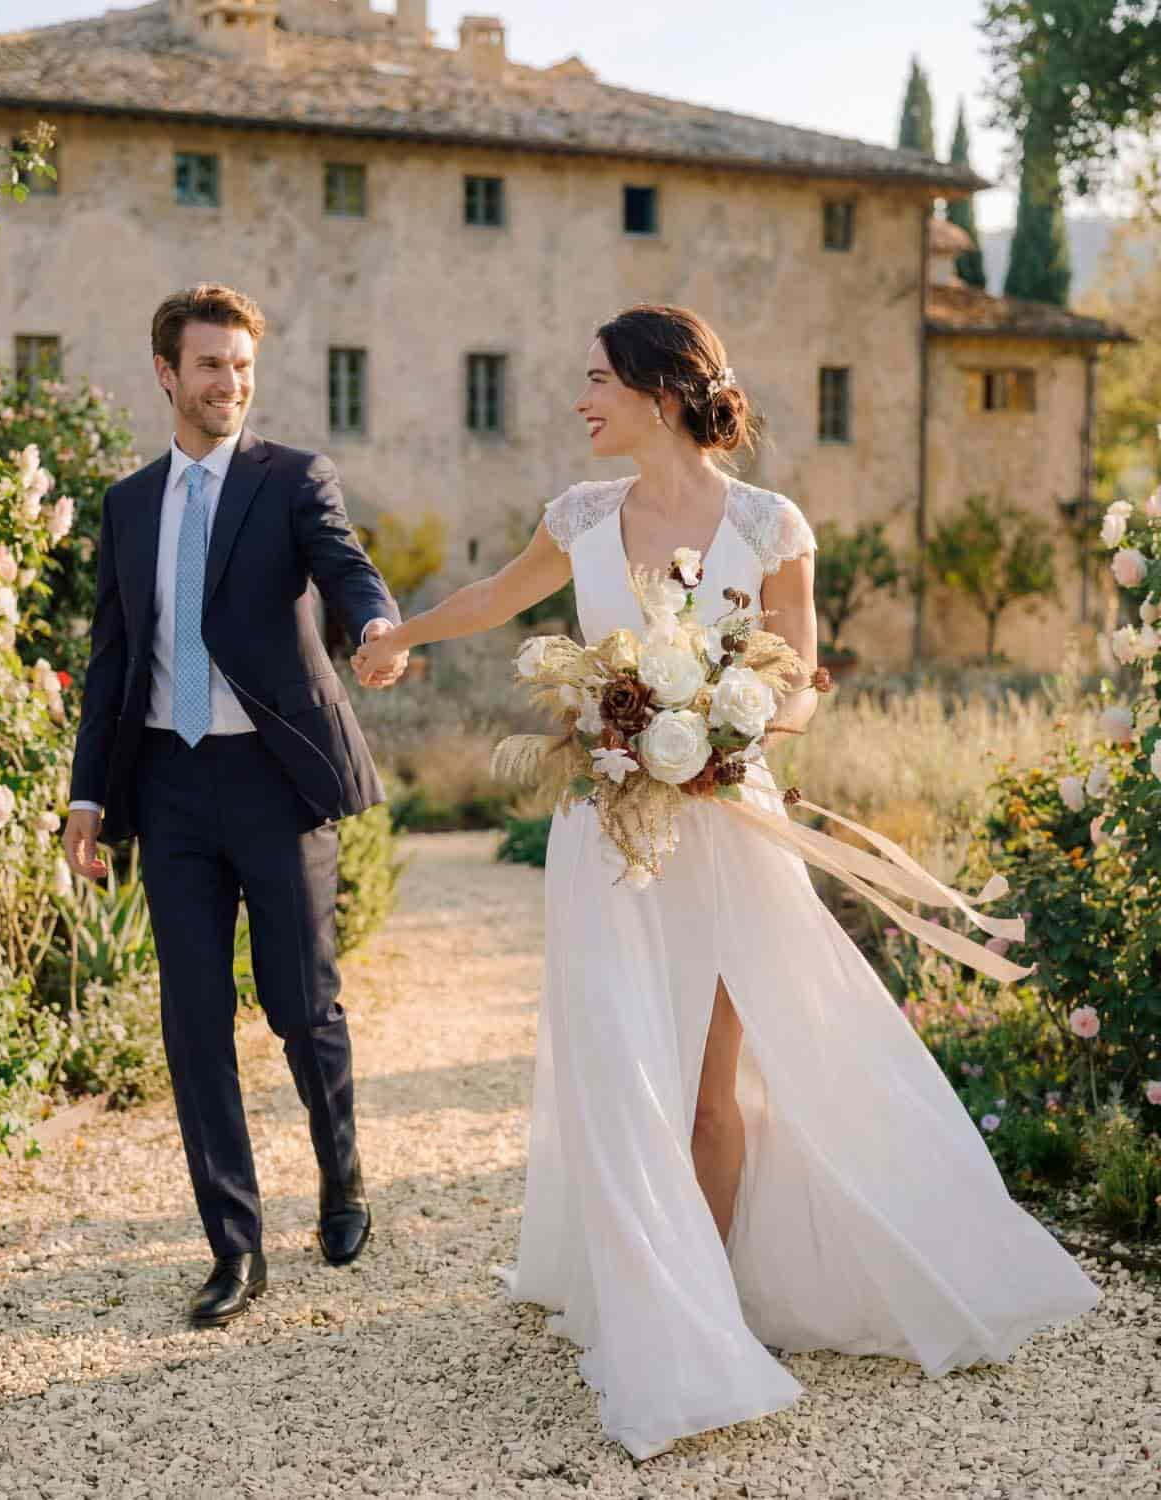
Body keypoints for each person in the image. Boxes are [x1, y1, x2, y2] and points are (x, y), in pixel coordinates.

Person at [351, 303, 1099, 1460]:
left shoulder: (769, 523)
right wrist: (404, 635)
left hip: (732, 837)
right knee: (617, 1076)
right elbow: (498, 597)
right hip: (606, 839)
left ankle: (709, 1310)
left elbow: (801, 679)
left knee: (713, 1093)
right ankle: (659, 1309)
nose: (579, 400)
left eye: (596, 378)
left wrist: (737, 729)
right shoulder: (581, 516)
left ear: (658, 390)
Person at [62, 283, 407, 1328]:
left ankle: (341, 1179)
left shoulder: (294, 479)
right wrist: (87, 798)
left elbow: (346, 573)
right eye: (211, 365)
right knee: (193, 1019)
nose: (230, 384)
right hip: (169, 787)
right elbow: (112, 658)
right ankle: (235, 1246)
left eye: (243, 367)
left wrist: (379, 624)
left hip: (275, 779)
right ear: (167, 373)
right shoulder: (127, 505)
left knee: (301, 1003)